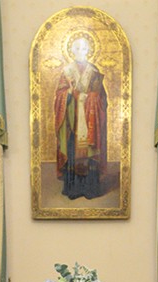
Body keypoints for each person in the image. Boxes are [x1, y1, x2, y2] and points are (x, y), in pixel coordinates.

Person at [54, 34, 108, 200]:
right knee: (73, 151)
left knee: (89, 152)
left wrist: (92, 98)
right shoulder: (67, 71)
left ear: (89, 50)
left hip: (89, 119)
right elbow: (60, 94)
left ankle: (90, 188)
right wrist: (69, 94)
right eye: (77, 48)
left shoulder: (93, 70)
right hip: (73, 120)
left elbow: (102, 98)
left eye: (84, 48)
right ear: (71, 50)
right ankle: (73, 188)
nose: (80, 51)